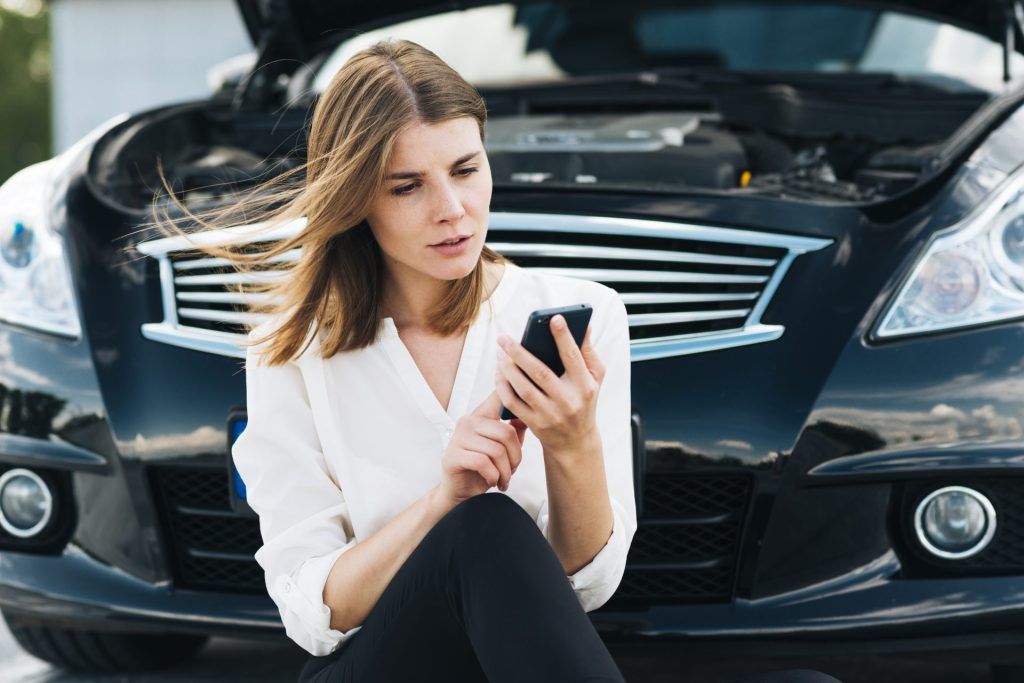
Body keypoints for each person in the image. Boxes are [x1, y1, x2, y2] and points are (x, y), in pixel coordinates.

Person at [146, 38, 841, 683]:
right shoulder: (291, 348)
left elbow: (586, 584)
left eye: (465, 169)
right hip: (373, 666)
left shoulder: (580, 313)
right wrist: (443, 503)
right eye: (406, 185)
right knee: (481, 522)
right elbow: (315, 613)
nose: (452, 209)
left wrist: (572, 446)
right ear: (357, 198)